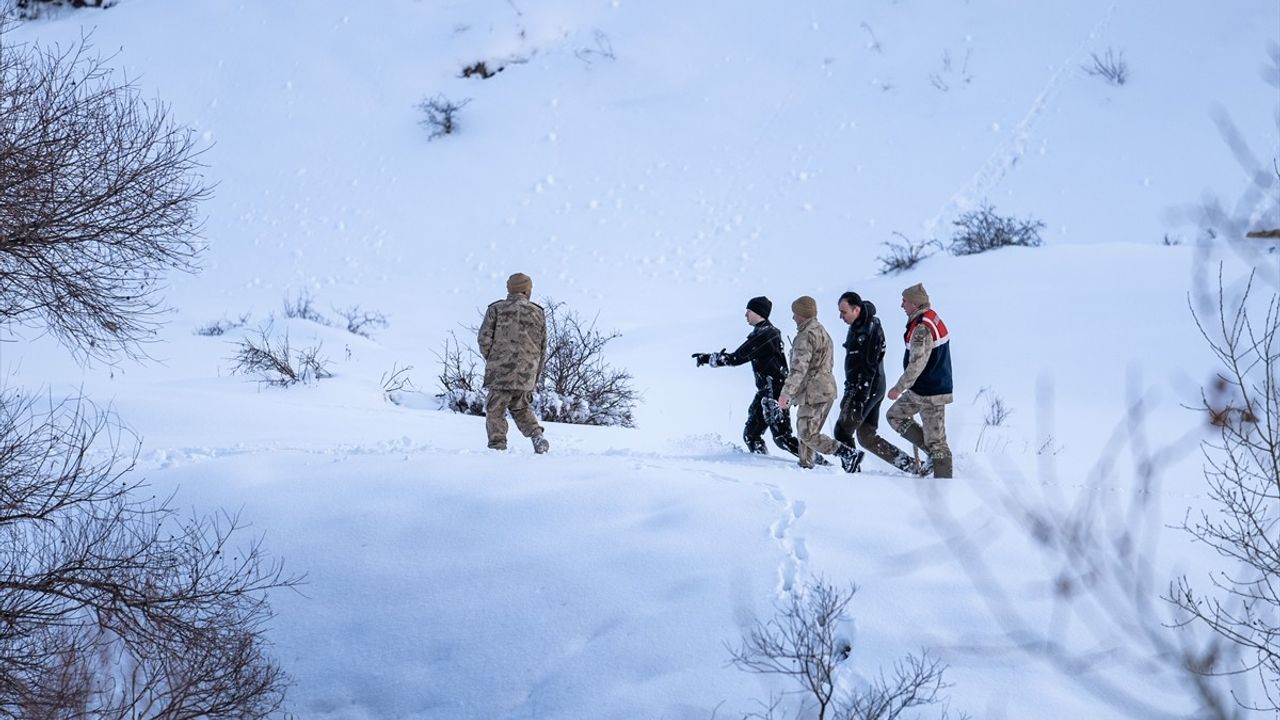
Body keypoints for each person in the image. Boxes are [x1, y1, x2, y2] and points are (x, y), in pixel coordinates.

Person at [691, 296, 817, 462]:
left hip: (775, 392)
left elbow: (737, 357)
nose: (745, 315)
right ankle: (762, 464)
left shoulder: (767, 335)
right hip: (765, 391)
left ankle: (819, 464)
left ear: (758, 313)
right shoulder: (761, 332)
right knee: (751, 435)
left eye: (748, 311)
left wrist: (709, 359)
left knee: (782, 438)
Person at [833, 291, 919, 474]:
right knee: (865, 436)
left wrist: (859, 398)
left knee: (842, 431)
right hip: (869, 386)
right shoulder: (859, 325)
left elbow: (869, 367)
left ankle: (850, 471)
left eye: (844, 312)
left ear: (856, 309)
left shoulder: (869, 329)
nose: (841, 316)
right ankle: (910, 465)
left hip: (868, 387)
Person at [777, 296, 860, 471]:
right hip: (822, 390)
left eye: (795, 314)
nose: (793, 318)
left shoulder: (805, 336)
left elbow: (799, 369)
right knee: (805, 429)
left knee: (807, 433)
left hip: (814, 393)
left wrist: (786, 394)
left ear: (802, 314)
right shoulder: (821, 331)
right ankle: (806, 465)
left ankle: (846, 453)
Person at [478, 272, 550, 454]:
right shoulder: (538, 313)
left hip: (500, 369)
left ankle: (497, 446)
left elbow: (484, 339)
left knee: (495, 409)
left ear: (509, 289)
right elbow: (543, 348)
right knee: (521, 406)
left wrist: (494, 359)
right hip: (527, 371)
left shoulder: (496, 309)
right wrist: (535, 374)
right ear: (526, 290)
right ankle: (536, 435)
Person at [886, 283, 953, 478]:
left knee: (937, 442)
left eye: (904, 301)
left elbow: (917, 363)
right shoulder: (930, 316)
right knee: (895, 416)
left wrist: (899, 387)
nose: (901, 305)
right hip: (925, 388)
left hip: (930, 391)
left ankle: (944, 483)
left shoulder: (922, 328)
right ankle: (933, 456)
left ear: (914, 303)